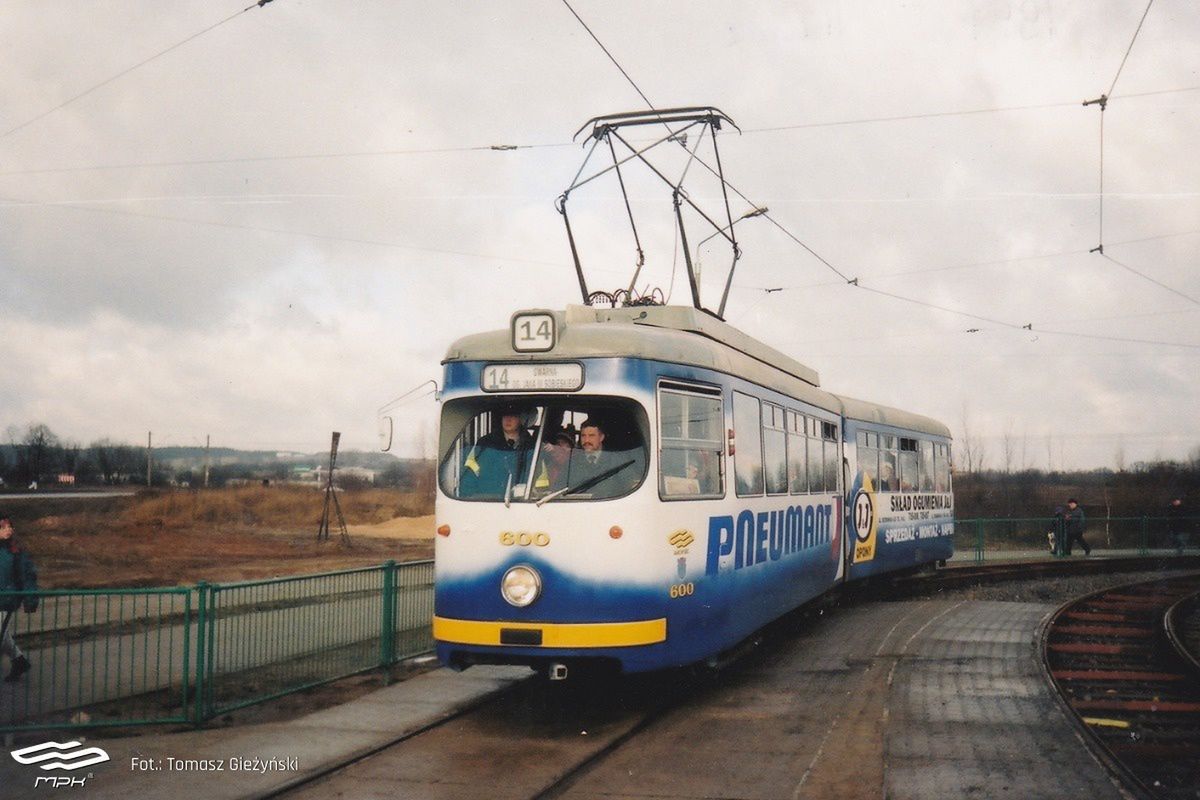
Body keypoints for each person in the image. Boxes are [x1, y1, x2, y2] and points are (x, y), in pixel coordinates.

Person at [460, 406, 534, 497]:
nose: (508, 419)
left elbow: (539, 483)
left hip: (521, 504)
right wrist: (471, 499)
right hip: (488, 503)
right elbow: (469, 475)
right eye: (504, 416)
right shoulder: (485, 443)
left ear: (521, 419)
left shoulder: (532, 445)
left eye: (513, 416)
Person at [0, 513, 38, 682]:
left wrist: (30, 598)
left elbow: (27, 575)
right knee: (3, 634)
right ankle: (19, 660)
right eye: (3, 527)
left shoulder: (15, 551)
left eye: (9, 526)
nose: (7, 530)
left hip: (7, 599)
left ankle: (18, 660)